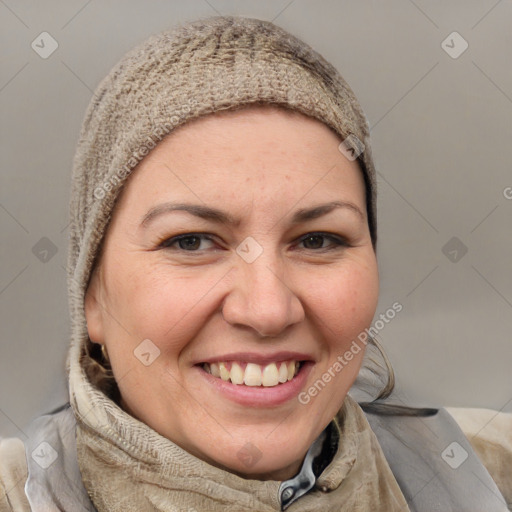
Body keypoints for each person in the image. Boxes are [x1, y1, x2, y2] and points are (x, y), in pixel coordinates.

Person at [0, 14, 511, 512]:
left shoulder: (486, 471)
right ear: (91, 295)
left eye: (316, 239)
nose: (268, 310)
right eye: (192, 242)